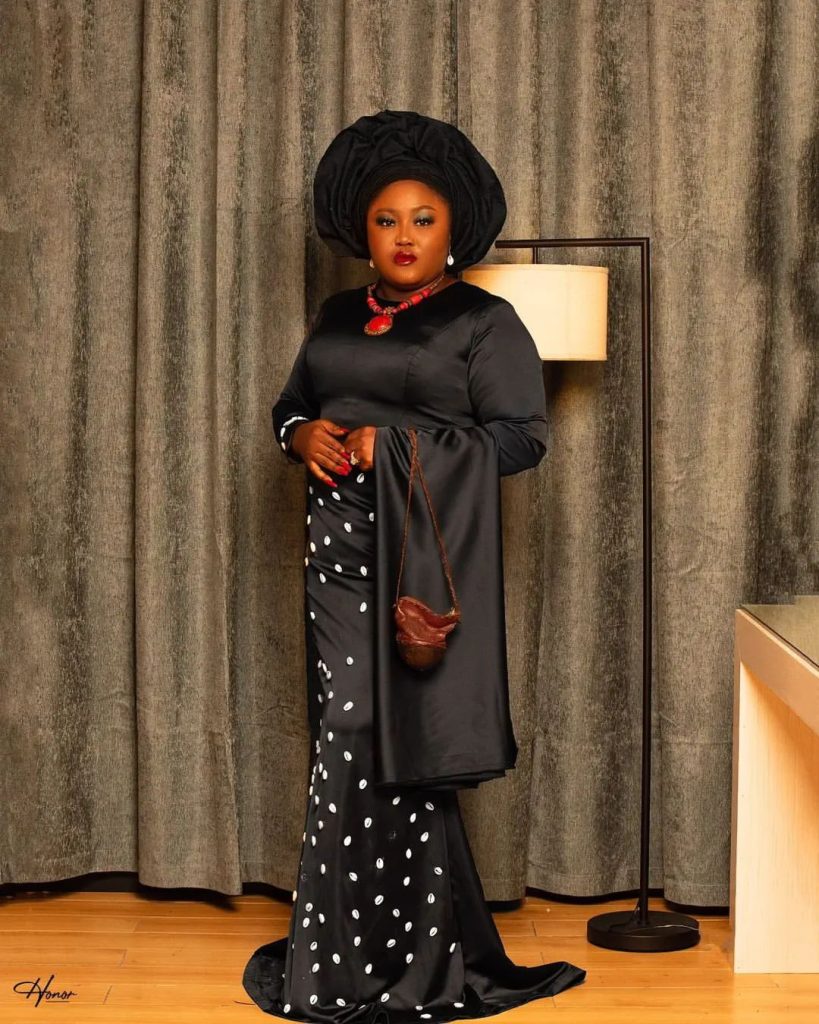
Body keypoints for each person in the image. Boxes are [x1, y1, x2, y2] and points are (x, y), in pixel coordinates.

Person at [242, 110, 586, 1023]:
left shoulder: (483, 321)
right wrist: (300, 435)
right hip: (335, 552)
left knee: (401, 740)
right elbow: (290, 403)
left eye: (422, 219)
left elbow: (520, 440)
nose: (403, 236)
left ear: (451, 230)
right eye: (386, 219)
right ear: (363, 230)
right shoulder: (336, 315)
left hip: (424, 561)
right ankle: (354, 952)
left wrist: (391, 446)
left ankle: (409, 954)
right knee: (350, 733)